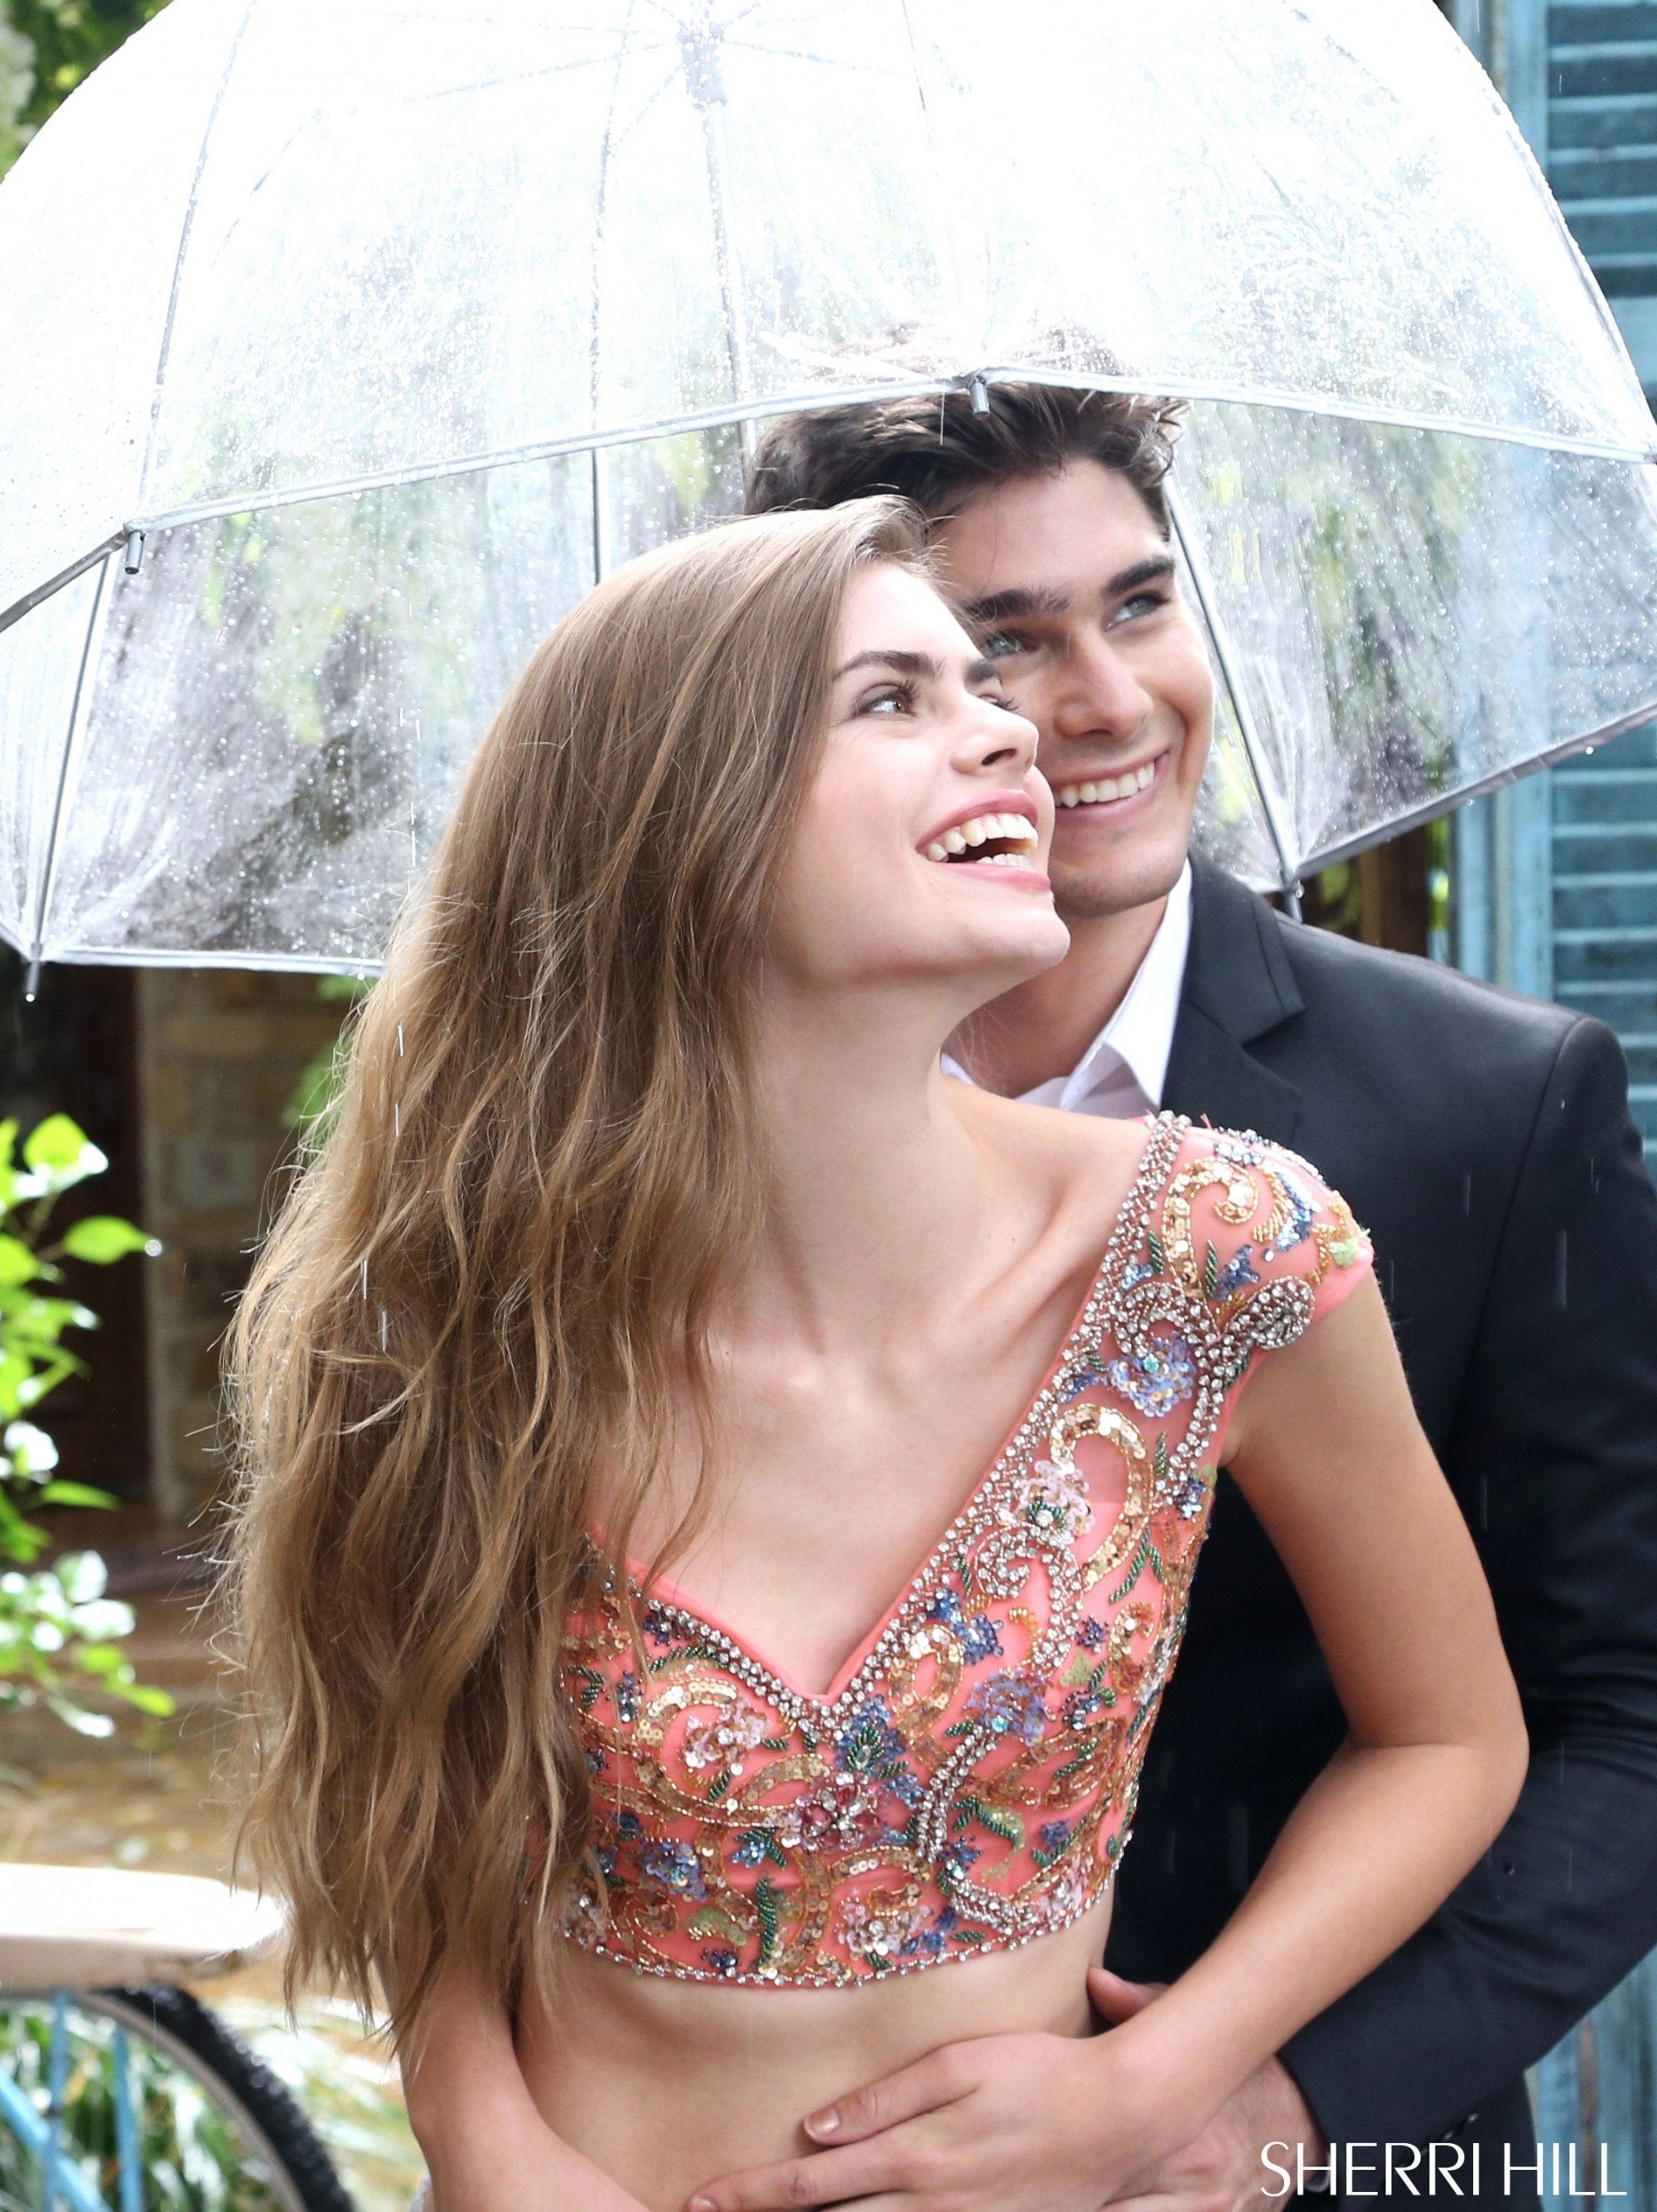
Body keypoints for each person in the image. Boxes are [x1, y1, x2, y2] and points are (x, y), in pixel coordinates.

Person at [225, 500, 1525, 2212]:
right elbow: (410, 1798)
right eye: (893, 698)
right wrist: (485, 2143)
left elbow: (1449, 1740)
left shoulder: (1219, 1255)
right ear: (681, 819)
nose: (1009, 730)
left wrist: (1155, 2079)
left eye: (977, 685)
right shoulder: (461, 1307)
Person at [742, 385, 1657, 2208]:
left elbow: (1628, 1708)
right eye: (1002, 643)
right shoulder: (697, 1159)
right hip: (793, 2150)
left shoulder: (1482, 1110)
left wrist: (1277, 2103)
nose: (1105, 699)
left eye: (1141, 604)